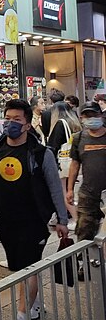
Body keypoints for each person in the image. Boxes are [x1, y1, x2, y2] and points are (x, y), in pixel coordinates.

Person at [0, 99, 69, 320]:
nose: (11, 123)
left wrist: (62, 219)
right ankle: (33, 305)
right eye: (8, 118)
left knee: (28, 267)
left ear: (27, 124)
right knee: (17, 267)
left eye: (17, 120)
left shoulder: (40, 153)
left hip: (34, 220)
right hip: (5, 218)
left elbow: (55, 187)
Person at [67, 102, 106, 243]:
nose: (90, 119)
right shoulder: (78, 138)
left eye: (93, 115)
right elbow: (75, 164)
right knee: (84, 231)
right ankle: (85, 261)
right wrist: (70, 189)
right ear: (81, 118)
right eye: (86, 116)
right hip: (88, 194)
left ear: (101, 115)